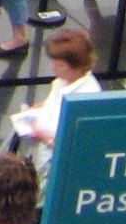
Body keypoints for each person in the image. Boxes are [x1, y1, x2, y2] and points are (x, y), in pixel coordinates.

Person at [8, 30, 100, 184]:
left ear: (75, 66)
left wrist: (42, 136)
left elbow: (76, 146)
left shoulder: (86, 99)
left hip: (54, 164)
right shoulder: (62, 81)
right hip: (40, 150)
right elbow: (52, 104)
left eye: (59, 65)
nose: (52, 69)